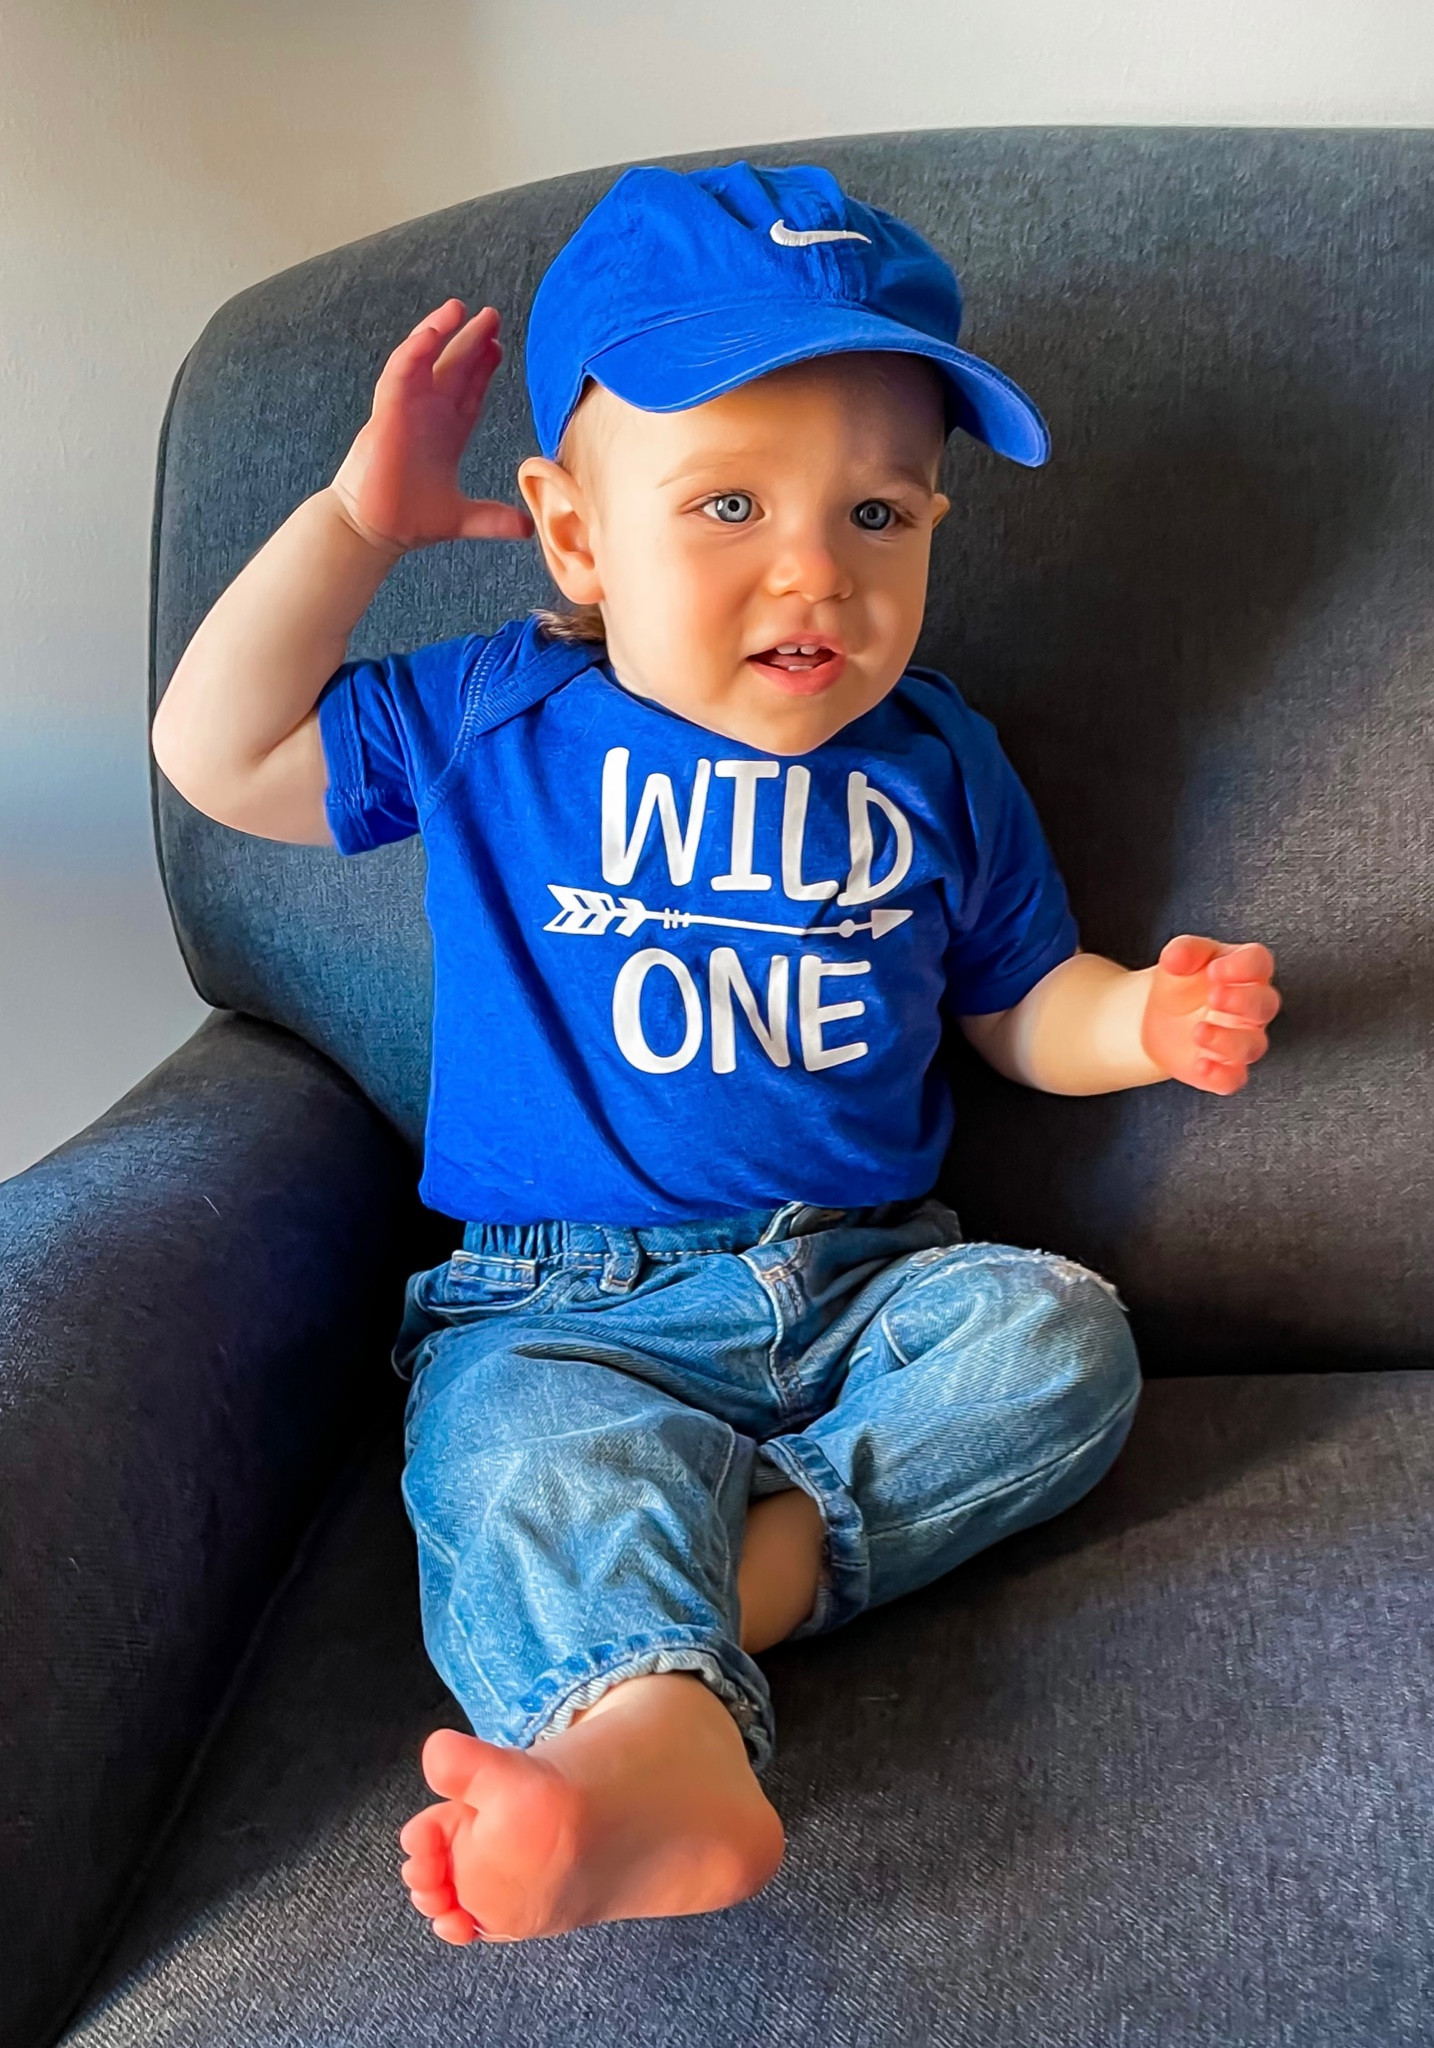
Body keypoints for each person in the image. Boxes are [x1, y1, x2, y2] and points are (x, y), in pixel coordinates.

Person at [151, 161, 1281, 1947]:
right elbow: (216, 752)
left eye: (881, 518)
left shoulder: (935, 759)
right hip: (563, 1305)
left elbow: (1018, 1005)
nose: (809, 572)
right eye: (729, 501)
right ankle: (651, 1753)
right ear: (576, 533)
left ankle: (672, 1639)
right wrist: (357, 523)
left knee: (1060, 1339)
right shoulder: (489, 713)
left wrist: (1140, 1018)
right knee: (518, 1459)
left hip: (865, 1290)